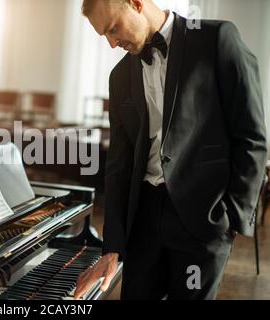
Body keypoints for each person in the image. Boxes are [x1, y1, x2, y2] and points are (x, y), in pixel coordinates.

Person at [75, 0, 267, 300]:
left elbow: (251, 136)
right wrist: (112, 245)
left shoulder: (216, 40)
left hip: (203, 220)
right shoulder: (120, 76)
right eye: (105, 36)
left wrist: (229, 218)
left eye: (113, 29)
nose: (112, 43)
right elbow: (118, 165)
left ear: (136, 4)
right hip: (143, 221)